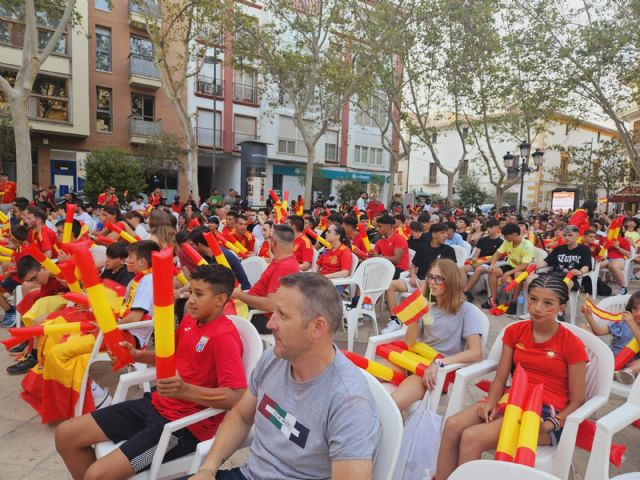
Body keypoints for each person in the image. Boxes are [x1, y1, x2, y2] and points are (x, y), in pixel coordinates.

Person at [55, 264, 248, 479]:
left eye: (199, 294)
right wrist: (137, 355)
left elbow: (237, 396)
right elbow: (171, 357)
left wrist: (184, 390)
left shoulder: (224, 337)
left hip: (182, 428)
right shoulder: (191, 322)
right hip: (155, 404)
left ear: (220, 299)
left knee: (96, 475)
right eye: (191, 291)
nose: (190, 299)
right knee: (65, 435)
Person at [189, 272, 380, 480]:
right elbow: (241, 416)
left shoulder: (349, 402)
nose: (270, 323)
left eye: (282, 314)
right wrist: (208, 469)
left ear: (317, 327)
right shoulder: (274, 358)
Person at [435, 274, 588, 479]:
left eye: (548, 302)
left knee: (471, 438)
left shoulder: (571, 343)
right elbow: (500, 377)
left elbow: (578, 399)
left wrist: (553, 423)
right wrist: (491, 401)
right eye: (533, 299)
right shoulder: (515, 331)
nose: (537, 308)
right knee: (452, 426)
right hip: (512, 399)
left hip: (546, 413)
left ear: (561, 307)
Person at [390, 259, 484, 411]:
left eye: (439, 278)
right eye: (430, 277)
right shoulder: (428, 307)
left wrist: (439, 363)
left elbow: (476, 352)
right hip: (414, 360)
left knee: (392, 403)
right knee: (364, 379)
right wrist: (419, 303)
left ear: (451, 281)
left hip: (436, 372)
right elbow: (408, 342)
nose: (432, 282)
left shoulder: (465, 310)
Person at [383, 223, 456, 333]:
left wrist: (429, 281)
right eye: (442, 233)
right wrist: (412, 276)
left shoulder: (448, 250)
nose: (446, 235)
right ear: (434, 234)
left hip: (435, 283)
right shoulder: (423, 247)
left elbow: (451, 271)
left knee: (424, 286)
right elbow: (413, 265)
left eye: (446, 233)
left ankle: (408, 322)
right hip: (417, 280)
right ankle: (395, 320)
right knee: (390, 285)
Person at [232, 225, 300, 334]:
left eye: (269, 238)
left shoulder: (285, 266)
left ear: (273, 242)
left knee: (219, 319)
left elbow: (271, 305)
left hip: (261, 316)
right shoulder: (280, 261)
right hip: (254, 308)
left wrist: (239, 295)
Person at [582, 291, 640, 384]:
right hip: (609, 357)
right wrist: (589, 316)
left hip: (629, 366)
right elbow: (598, 331)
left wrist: (633, 324)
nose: (638, 313)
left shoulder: (631, 323)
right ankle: (597, 366)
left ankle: (626, 373)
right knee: (584, 327)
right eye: (635, 309)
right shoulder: (622, 322)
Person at [483, 222, 535, 314]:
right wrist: (492, 264)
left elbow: (524, 266)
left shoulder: (527, 246)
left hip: (523, 269)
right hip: (510, 265)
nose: (505, 238)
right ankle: (493, 299)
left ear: (514, 234)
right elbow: (497, 254)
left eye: (506, 236)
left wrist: (508, 273)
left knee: (518, 275)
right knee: (492, 272)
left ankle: (514, 303)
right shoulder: (507, 242)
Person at [536, 225, 591, 295]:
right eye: (565, 235)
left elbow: (586, 266)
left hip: (571, 278)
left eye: (570, 235)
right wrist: (535, 266)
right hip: (554, 275)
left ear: (577, 236)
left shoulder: (584, 249)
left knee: (561, 286)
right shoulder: (559, 249)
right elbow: (546, 262)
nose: (566, 238)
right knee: (531, 278)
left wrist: (580, 272)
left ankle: (559, 305)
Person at [462, 219, 503, 301]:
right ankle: (460, 289)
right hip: (479, 262)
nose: (488, 229)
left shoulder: (501, 242)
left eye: (491, 227)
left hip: (491, 265)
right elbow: (476, 254)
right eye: (488, 227)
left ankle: (464, 291)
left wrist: (479, 263)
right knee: (462, 268)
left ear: (497, 228)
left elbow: (494, 258)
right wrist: (474, 259)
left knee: (479, 269)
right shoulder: (482, 240)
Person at [372, 214, 409, 279]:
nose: (377, 229)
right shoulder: (380, 241)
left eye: (379, 226)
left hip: (400, 270)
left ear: (388, 226)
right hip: (386, 267)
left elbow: (396, 260)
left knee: (375, 276)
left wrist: (378, 257)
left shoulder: (399, 238)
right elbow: (373, 255)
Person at [600, 228, 632, 295]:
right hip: (605, 259)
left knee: (613, 266)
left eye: (611, 230)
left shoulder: (623, 240)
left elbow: (629, 255)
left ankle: (624, 288)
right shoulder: (604, 239)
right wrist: (603, 247)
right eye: (609, 230)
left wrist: (618, 247)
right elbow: (599, 250)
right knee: (593, 267)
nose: (608, 230)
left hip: (618, 259)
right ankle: (592, 285)